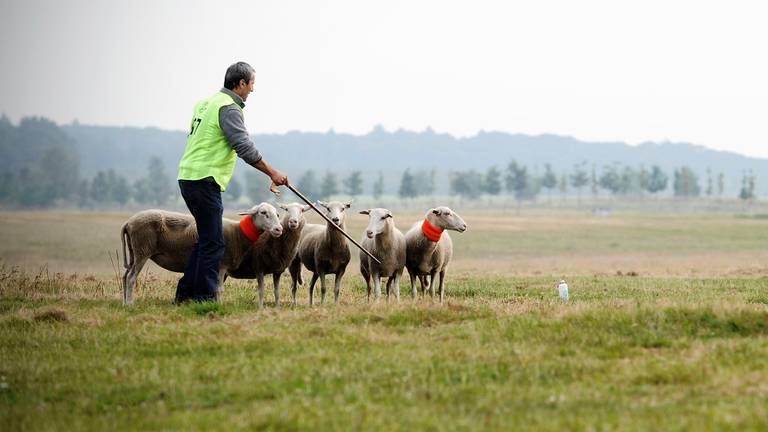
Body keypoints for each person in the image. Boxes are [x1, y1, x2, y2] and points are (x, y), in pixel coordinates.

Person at [175, 61, 288, 303]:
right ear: (240, 84)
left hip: (188, 176)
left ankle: (184, 296)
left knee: (206, 240)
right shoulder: (229, 107)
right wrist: (272, 172)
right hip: (205, 179)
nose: (253, 89)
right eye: (251, 84)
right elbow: (243, 146)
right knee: (215, 244)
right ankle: (204, 300)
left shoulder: (206, 103)